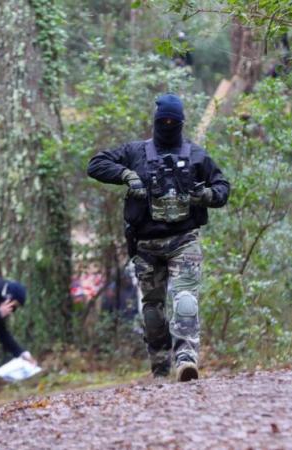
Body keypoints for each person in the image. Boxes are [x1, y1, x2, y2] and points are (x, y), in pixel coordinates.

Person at [87, 93, 230, 382]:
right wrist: (127, 175)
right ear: (155, 121)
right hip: (146, 245)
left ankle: (186, 359)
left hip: (184, 240)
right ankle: (161, 363)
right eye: (162, 121)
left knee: (186, 300)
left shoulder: (197, 155)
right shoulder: (135, 152)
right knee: (152, 311)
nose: (167, 125)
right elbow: (96, 164)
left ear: (181, 123)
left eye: (172, 122)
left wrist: (207, 195)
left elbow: (223, 187)